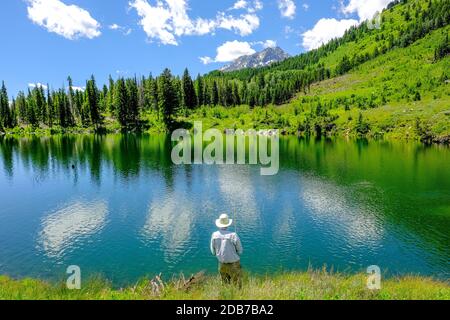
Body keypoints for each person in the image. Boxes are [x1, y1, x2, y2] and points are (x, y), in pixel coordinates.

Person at [210, 213, 243, 286]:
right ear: (228, 224)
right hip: (234, 263)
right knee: (237, 284)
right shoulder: (233, 235)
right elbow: (240, 251)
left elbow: (213, 252)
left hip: (221, 263)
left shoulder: (214, 235)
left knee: (225, 284)